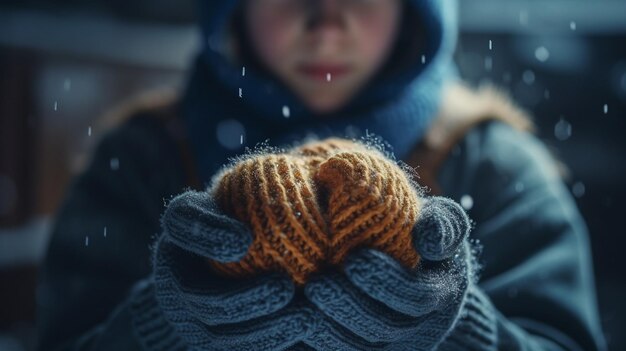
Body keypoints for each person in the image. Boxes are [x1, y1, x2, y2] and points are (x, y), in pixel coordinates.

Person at [36, 0, 607, 350]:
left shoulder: (496, 167)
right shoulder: (139, 159)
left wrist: (456, 330)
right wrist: (161, 324)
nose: (327, 23)